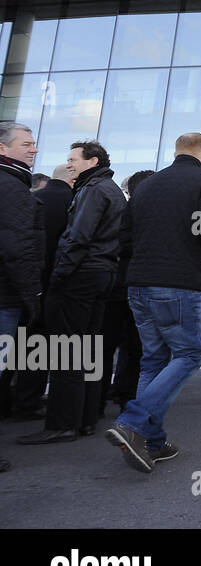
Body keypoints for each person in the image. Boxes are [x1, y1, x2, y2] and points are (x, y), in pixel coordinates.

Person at [105, 133, 201, 473]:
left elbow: (124, 236)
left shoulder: (147, 186)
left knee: (154, 360)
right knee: (189, 355)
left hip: (138, 283)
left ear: (176, 152)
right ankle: (133, 421)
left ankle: (152, 442)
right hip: (178, 283)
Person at [19, 140, 126, 445]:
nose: (69, 164)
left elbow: (78, 236)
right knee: (88, 348)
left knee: (67, 350)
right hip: (102, 274)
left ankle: (61, 424)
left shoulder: (92, 190)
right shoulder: (111, 189)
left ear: (92, 161)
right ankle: (85, 419)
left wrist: (59, 275)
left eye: (73, 159)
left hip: (80, 275)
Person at [12, 163, 73, 422]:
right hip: (56, 283)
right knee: (44, 347)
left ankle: (11, 400)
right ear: (72, 180)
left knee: (20, 342)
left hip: (24, 282)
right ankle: (30, 401)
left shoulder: (33, 198)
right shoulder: (73, 202)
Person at [0, 121, 43, 470]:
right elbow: (17, 247)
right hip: (4, 296)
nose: (34, 148)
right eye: (26, 143)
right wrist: (33, 295)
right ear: (3, 149)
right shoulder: (11, 186)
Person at [101, 169, 152, 414]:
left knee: (107, 345)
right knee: (135, 346)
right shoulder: (149, 216)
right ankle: (126, 396)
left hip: (113, 284)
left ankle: (97, 401)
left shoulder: (118, 210)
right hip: (137, 285)